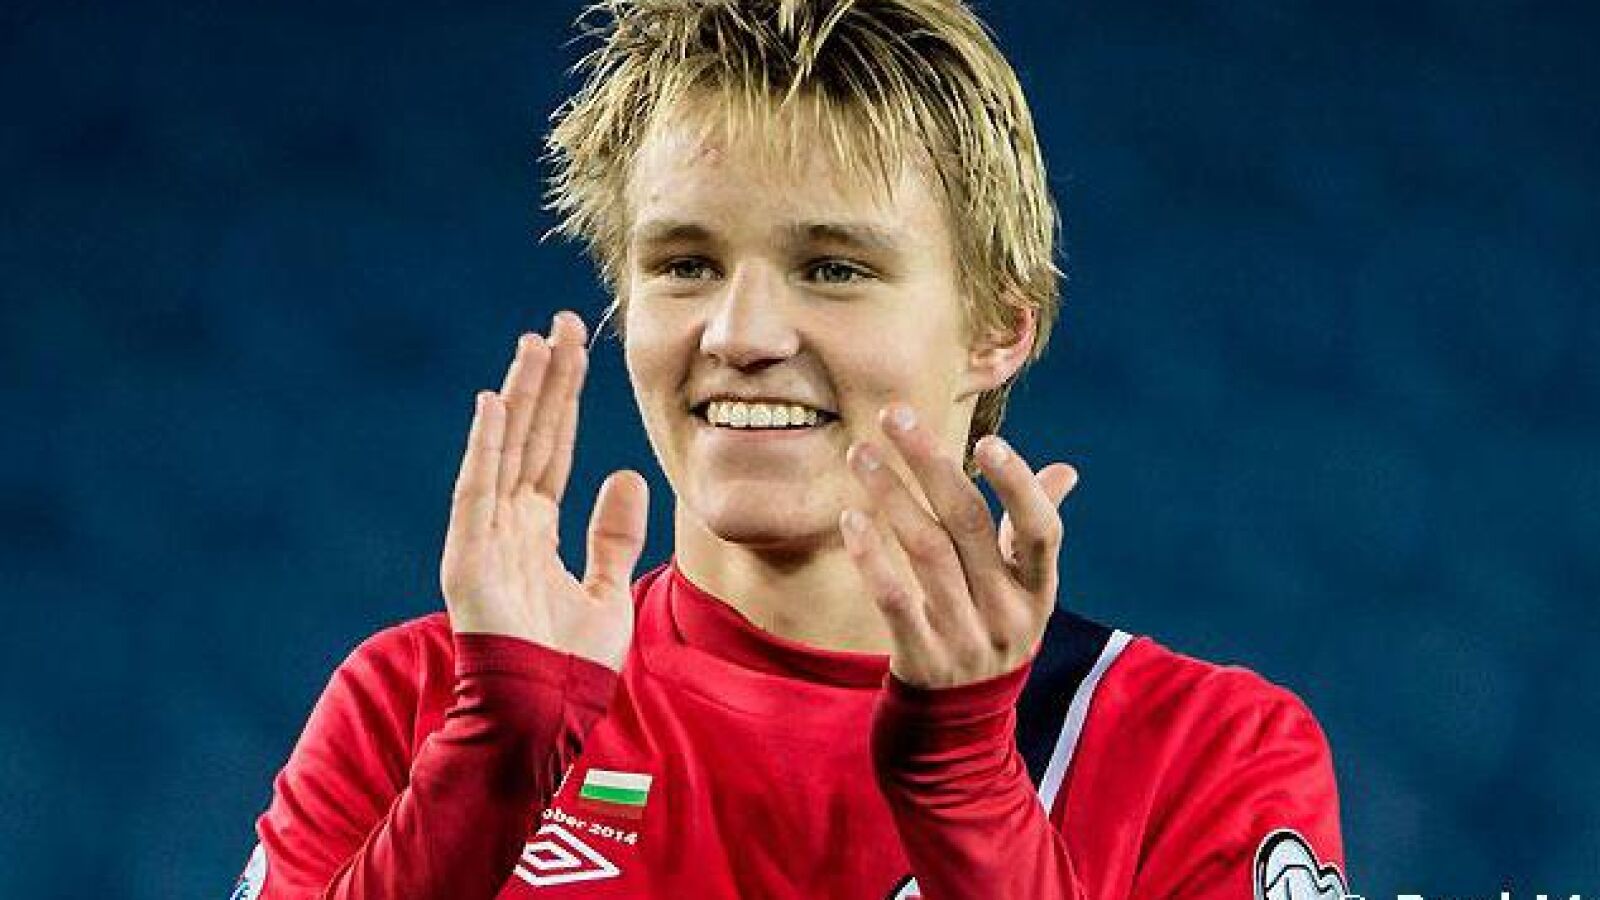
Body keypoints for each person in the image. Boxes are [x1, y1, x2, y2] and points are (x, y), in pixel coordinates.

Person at [232, 1, 1347, 897]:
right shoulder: (427, 702)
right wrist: (483, 781)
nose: (741, 335)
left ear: (997, 329)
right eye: (685, 264)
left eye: (833, 268)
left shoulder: (1198, 753)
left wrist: (968, 789)